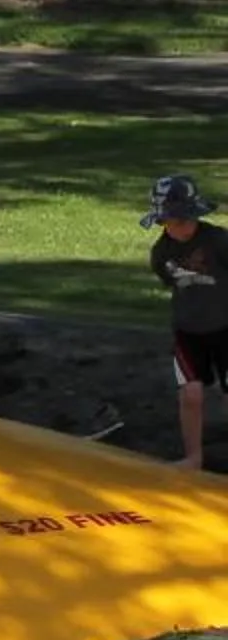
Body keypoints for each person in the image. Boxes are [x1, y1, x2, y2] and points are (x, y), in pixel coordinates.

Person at [143, 174, 228, 470]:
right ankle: (194, 456)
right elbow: (172, 282)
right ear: (162, 222)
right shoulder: (161, 254)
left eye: (190, 218)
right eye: (177, 221)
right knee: (190, 394)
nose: (185, 226)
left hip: (225, 327)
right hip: (188, 332)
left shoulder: (218, 240)